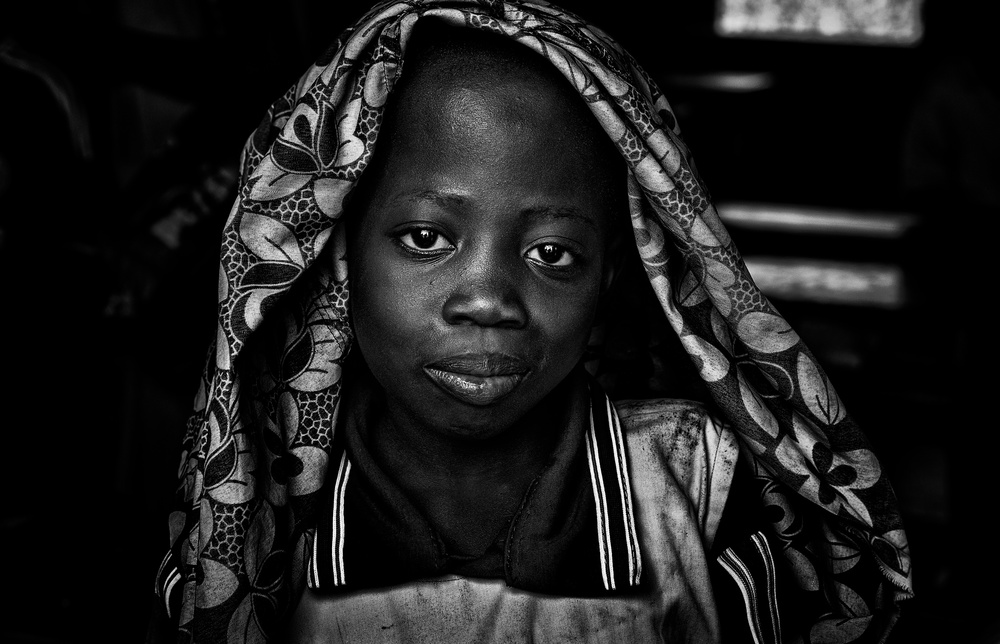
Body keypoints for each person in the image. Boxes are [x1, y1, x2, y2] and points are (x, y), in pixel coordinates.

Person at [149, 1, 913, 642]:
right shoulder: (260, 527)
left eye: (552, 252)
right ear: (337, 261)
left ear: (612, 276)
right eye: (425, 238)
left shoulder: (702, 489)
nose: (488, 300)